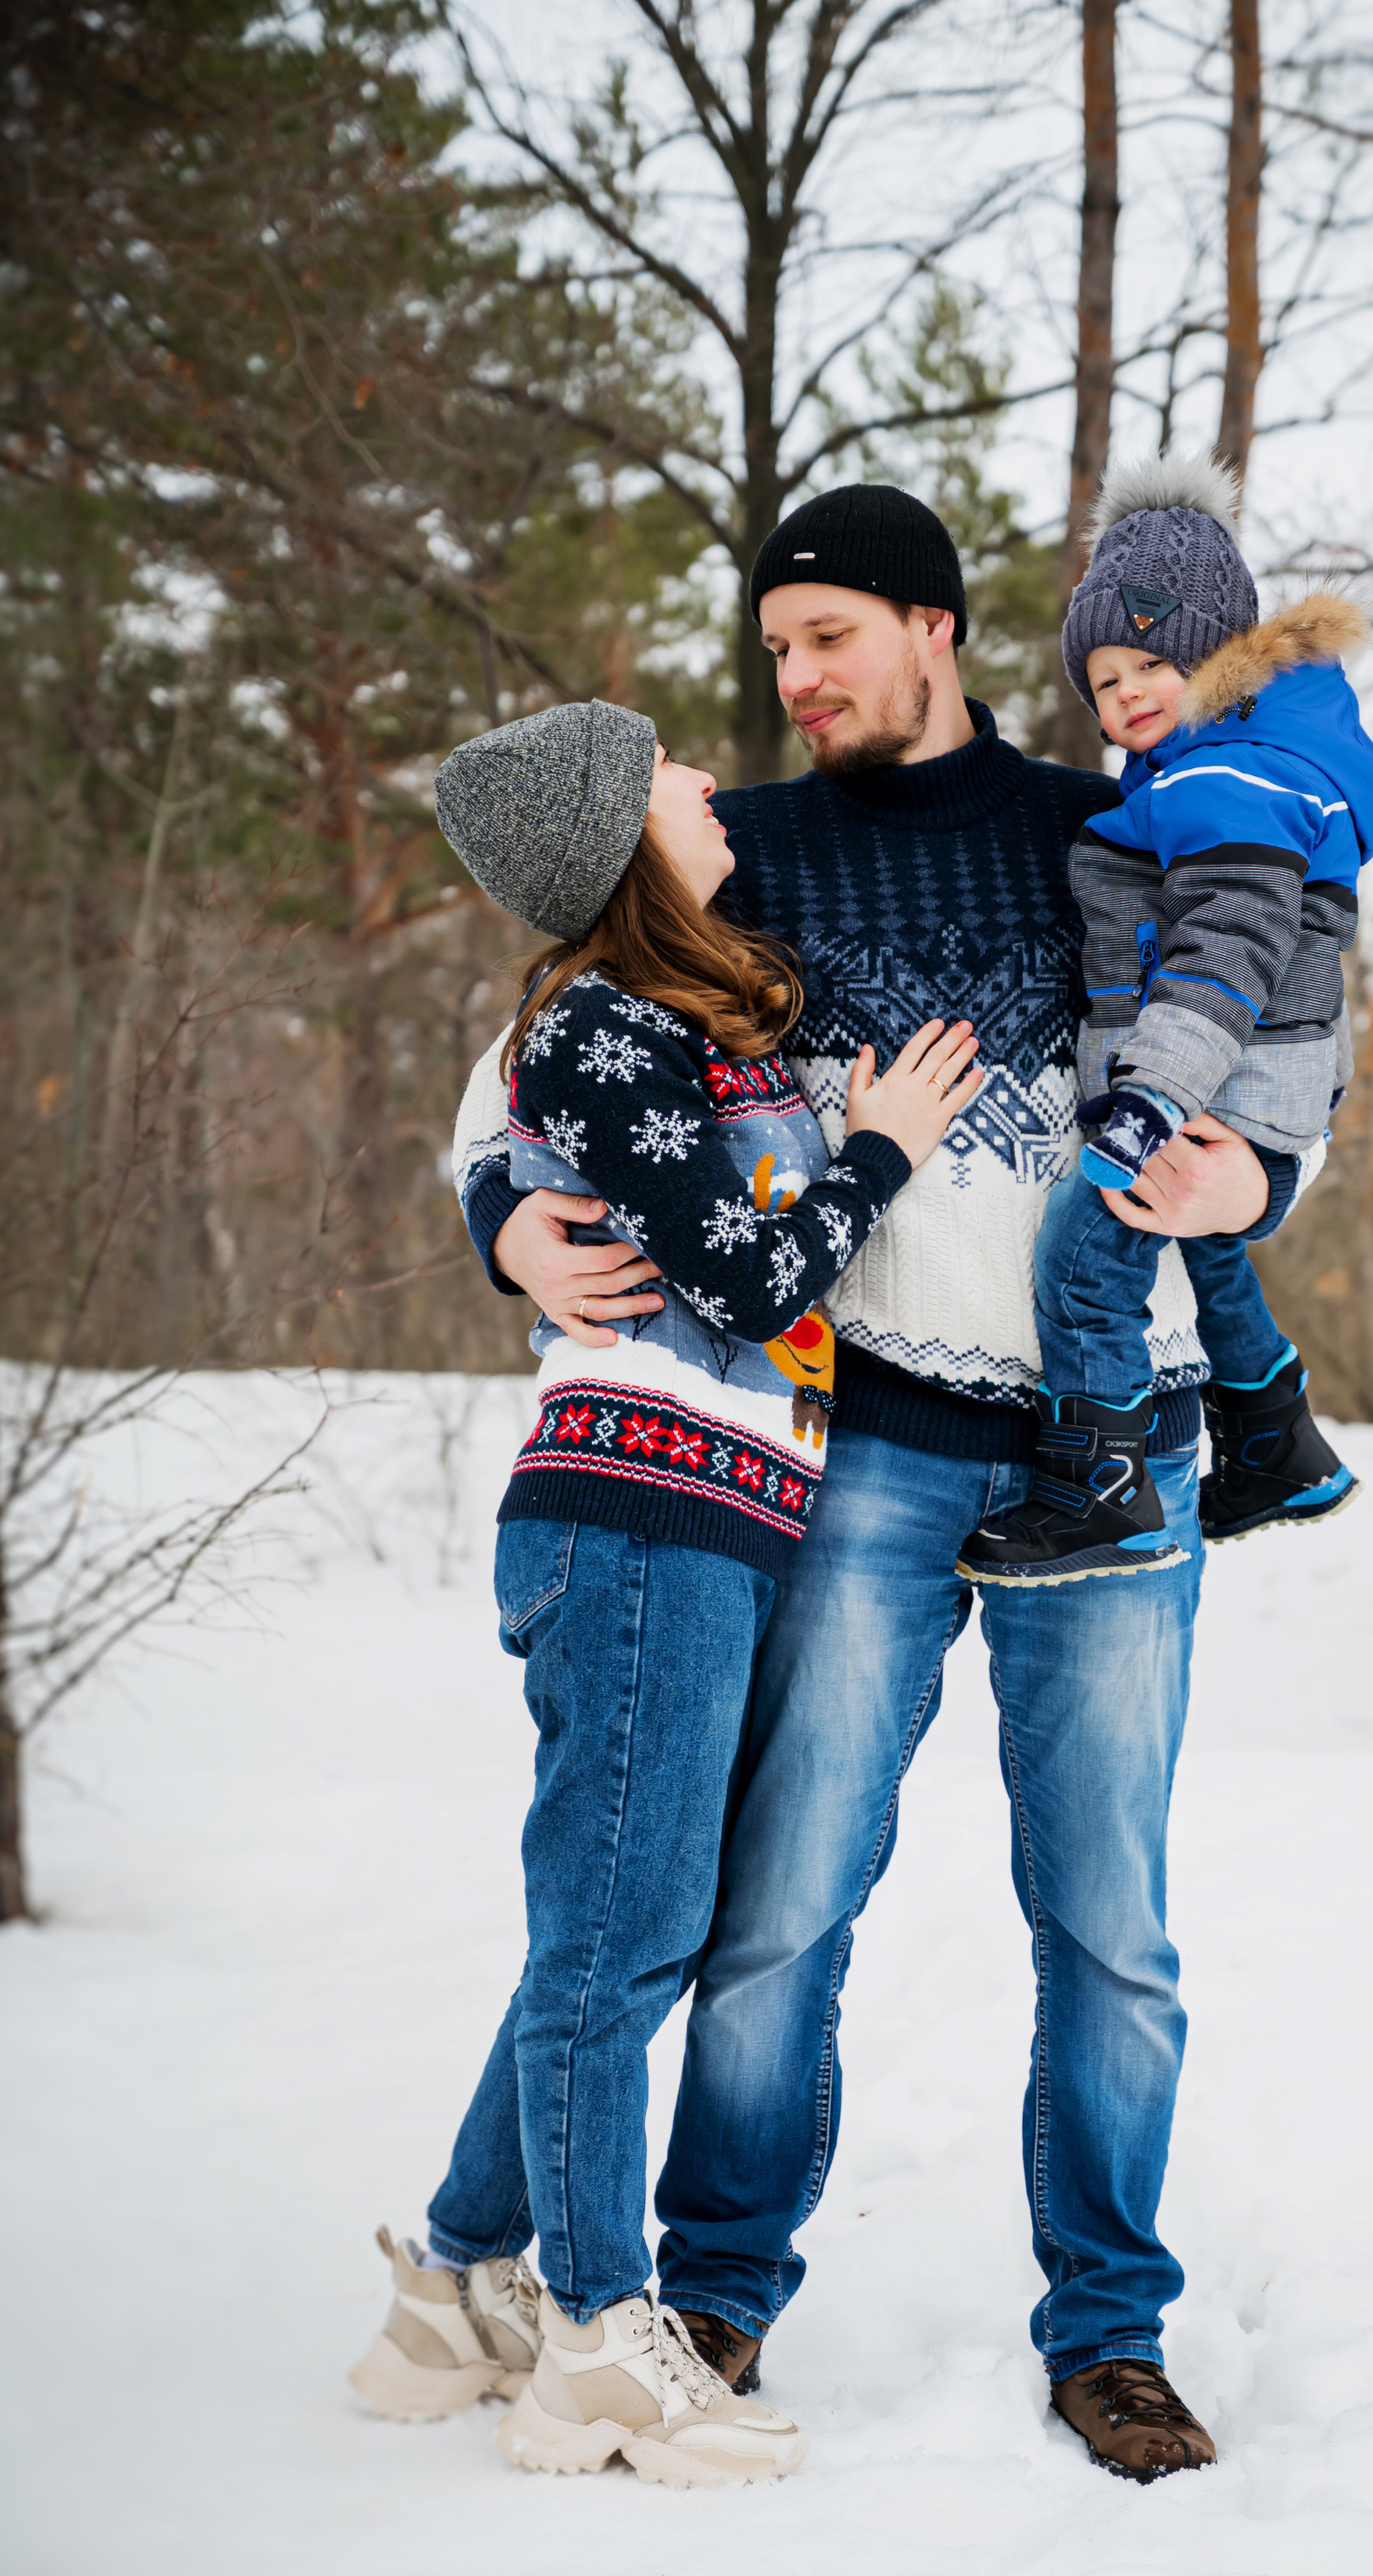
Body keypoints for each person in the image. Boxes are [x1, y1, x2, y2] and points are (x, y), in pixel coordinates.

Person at [461, 484, 1280, 2485]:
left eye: (827, 637)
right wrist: (507, 1221)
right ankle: (719, 2282)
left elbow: (1271, 1018)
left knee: (1111, 1927)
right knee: (782, 1894)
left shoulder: (1113, 828)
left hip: (1119, 1437)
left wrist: (1266, 1176)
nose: (794, 680)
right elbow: (521, 1077)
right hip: (875, 1439)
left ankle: (1112, 2331)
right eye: (773, 652)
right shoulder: (743, 855)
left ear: (934, 626)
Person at [348, 694, 979, 2485]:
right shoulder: (603, 1029)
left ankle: (449, 2286)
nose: (715, 781)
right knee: (615, 1940)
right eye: (674, 775)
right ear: (625, 832)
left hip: (711, 1514)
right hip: (633, 1510)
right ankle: (598, 2344)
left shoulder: (685, 1014)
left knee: (629, 1925)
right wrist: (877, 1146)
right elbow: (756, 1258)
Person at [958, 455, 1373, 1587]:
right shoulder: (1219, 767)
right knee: (1206, 1250)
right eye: (1105, 679)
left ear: (1226, 652)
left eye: (1155, 660)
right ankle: (1270, 1439)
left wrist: (1150, 1096)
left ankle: (1100, 1493)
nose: (1128, 695)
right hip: (1245, 1076)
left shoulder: (1231, 785)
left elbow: (1222, 959)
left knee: (1085, 1260)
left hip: (1212, 1071)